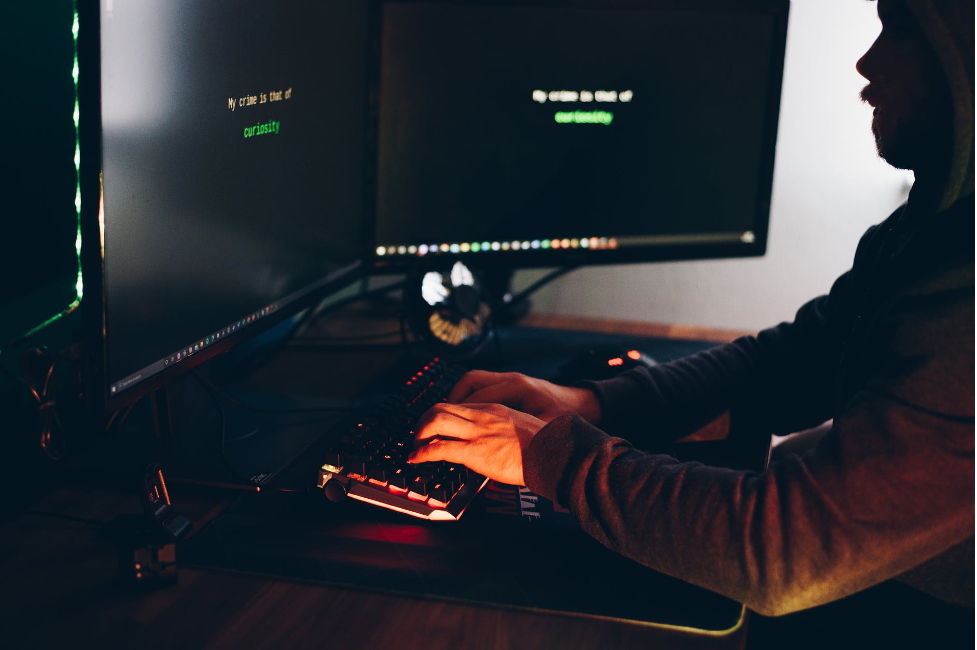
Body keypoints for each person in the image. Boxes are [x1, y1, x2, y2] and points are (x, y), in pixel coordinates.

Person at [410, 0, 975, 621]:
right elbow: (793, 360)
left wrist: (544, 454)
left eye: (901, 33)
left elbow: (781, 553)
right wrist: (591, 404)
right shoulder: (933, 229)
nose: (866, 64)